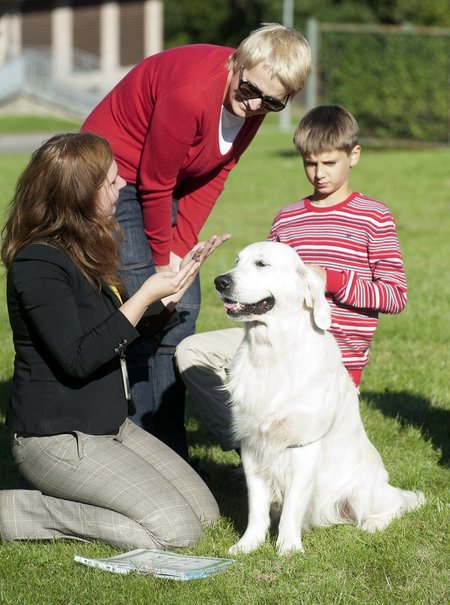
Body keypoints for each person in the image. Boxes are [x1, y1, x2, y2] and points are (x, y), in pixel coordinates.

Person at [80, 23, 312, 459]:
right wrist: (164, 263)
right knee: (150, 305)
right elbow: (154, 179)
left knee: (182, 309)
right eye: (250, 90)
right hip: (116, 174)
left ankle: (170, 455)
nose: (255, 105)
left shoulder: (253, 104)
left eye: (272, 102)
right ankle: (134, 448)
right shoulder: (190, 92)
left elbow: (214, 176)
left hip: (168, 180)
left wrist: (180, 252)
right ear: (237, 64)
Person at [0, 132, 226, 550]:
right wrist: (143, 295)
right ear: (80, 195)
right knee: (175, 532)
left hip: (110, 427)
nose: (122, 187)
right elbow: (79, 358)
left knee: (205, 516)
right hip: (59, 438)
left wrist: (168, 299)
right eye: (110, 182)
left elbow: (112, 333)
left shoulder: (84, 247)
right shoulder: (37, 263)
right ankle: (19, 510)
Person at [175, 105, 408, 452]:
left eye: (329, 163)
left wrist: (332, 279)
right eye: (310, 163)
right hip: (272, 345)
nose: (318, 174)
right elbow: (267, 290)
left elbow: (394, 296)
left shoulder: (373, 217)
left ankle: (273, 451)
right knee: (192, 352)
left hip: (331, 360)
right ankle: (246, 444)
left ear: (354, 155)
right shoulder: (287, 218)